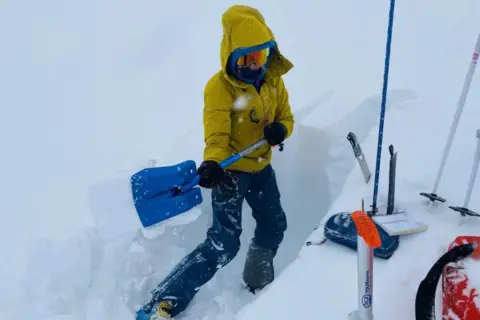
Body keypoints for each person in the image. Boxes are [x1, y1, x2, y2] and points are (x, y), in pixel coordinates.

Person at [136, 4, 294, 319]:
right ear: (231, 56)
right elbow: (217, 138)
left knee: (274, 225)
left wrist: (281, 130)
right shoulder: (219, 88)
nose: (253, 66)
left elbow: (286, 118)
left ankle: (258, 286)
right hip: (230, 173)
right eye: (246, 59)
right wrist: (213, 164)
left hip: (262, 168)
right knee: (224, 243)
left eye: (259, 57)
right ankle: (165, 301)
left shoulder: (273, 81)